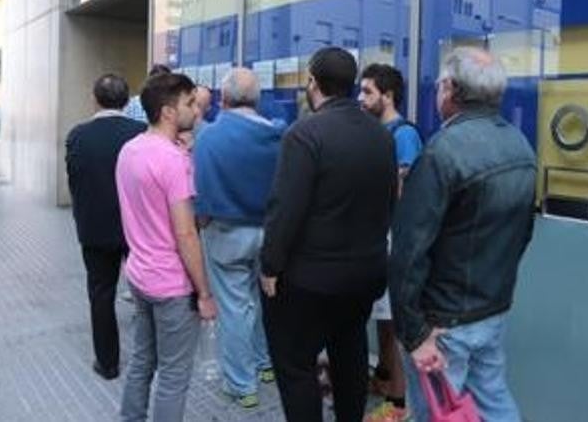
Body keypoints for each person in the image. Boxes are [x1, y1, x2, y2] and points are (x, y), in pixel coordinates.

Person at [389, 47, 536, 422]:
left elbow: (408, 251)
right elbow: (522, 234)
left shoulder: (442, 152)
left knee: (439, 413)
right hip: (493, 309)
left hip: (443, 323)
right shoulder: (520, 144)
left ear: (450, 89)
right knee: (494, 402)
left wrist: (413, 333)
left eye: (439, 85)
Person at [260, 47, 397, 422]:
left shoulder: (304, 134)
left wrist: (270, 266)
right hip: (365, 274)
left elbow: (285, 209)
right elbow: (389, 203)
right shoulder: (382, 136)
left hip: (310, 279)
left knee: (296, 365)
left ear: (313, 84)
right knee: (349, 352)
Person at [116, 72, 217, 422]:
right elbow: (186, 233)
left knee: (143, 360)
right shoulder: (174, 161)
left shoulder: (130, 150)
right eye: (189, 103)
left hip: (140, 275)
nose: (196, 109)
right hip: (172, 285)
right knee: (174, 377)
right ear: (168, 112)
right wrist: (204, 293)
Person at [193, 68, 283, 408]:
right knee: (261, 301)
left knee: (234, 308)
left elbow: (199, 195)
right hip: (270, 234)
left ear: (223, 98)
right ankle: (265, 365)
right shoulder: (279, 135)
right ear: (257, 99)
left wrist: (202, 225)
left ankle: (242, 385)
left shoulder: (210, 137)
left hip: (226, 233)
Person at [65, 74, 146, 380]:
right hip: (137, 229)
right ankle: (147, 357)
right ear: (126, 101)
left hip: (95, 228)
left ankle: (108, 363)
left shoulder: (78, 135)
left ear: (94, 98)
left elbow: (75, 182)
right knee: (145, 292)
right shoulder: (141, 133)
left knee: (101, 294)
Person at [357, 63, 422, 422]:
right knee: (383, 320)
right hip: (377, 236)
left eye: (368, 91)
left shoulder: (402, 135)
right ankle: (384, 379)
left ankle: (398, 404)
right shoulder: (377, 132)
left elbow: (401, 187)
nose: (361, 98)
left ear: (388, 95)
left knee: (392, 321)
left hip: (395, 239)